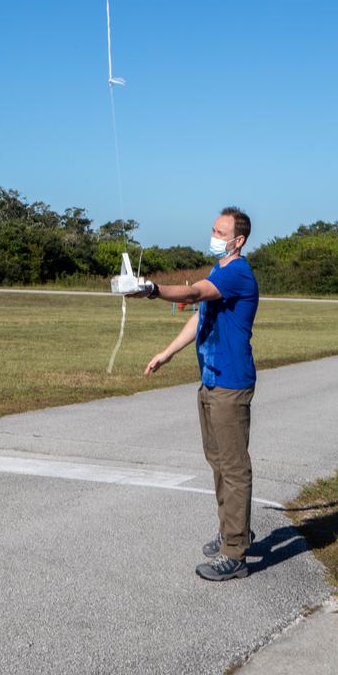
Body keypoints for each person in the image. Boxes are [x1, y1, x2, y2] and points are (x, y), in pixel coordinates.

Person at [132, 206, 259, 581]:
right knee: (218, 460)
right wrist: (167, 353)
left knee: (234, 467)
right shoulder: (221, 270)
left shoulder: (237, 272)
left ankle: (234, 554)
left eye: (221, 232)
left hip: (230, 384)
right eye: (214, 229)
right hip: (211, 379)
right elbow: (198, 314)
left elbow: (192, 293)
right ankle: (232, 530)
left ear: (239, 240)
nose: (215, 236)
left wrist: (154, 289)